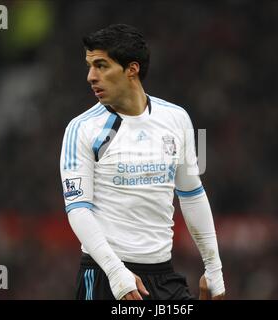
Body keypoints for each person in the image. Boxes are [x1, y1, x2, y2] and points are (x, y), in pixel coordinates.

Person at [59, 24, 225, 300]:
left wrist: (214, 268)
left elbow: (192, 195)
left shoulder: (176, 119)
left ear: (131, 69)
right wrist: (115, 271)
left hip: (162, 275)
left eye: (101, 66)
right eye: (89, 66)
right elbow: (78, 210)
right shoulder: (81, 129)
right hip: (104, 275)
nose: (91, 77)